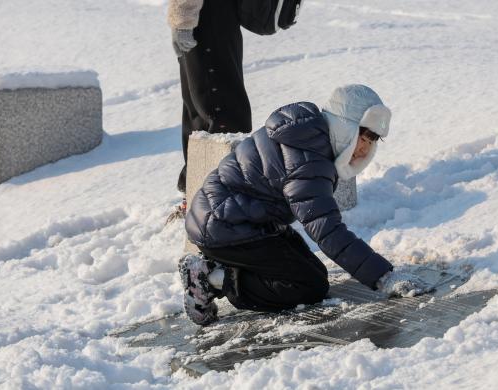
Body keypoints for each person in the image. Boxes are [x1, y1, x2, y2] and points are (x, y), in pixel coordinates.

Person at [178, 84, 430, 325]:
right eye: (362, 136)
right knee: (307, 286)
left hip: (239, 221)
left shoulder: (309, 137)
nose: (365, 148)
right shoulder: (309, 159)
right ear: (345, 127)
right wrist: (383, 277)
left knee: (313, 274)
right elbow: (328, 231)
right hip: (223, 228)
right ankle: (211, 277)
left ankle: (222, 267)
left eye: (373, 140)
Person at [167, 0, 252, 198]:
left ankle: (223, 202)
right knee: (200, 113)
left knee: (218, 112)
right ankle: (200, 197)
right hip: (209, 15)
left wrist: (183, 17)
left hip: (206, 15)